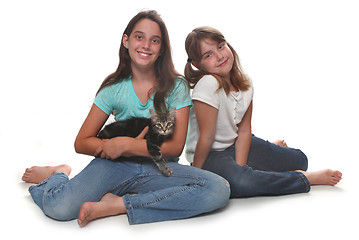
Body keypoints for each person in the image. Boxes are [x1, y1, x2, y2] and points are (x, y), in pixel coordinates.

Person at [21, 11, 230, 226]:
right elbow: (81, 142)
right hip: (113, 167)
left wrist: (129, 145)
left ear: (161, 49)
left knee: (218, 189)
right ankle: (59, 173)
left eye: (155, 40)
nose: (146, 45)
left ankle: (119, 204)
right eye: (139, 37)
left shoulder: (177, 86)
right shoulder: (113, 89)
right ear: (126, 41)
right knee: (59, 207)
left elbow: (175, 148)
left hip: (159, 168)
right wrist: (113, 146)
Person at [184, 26, 342, 198]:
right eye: (208, 55)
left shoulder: (245, 83)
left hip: (236, 143)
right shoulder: (208, 84)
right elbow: (207, 136)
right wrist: (197, 174)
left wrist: (241, 167)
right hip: (210, 154)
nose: (220, 56)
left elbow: (244, 131)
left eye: (221, 47)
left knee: (300, 160)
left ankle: (273, 152)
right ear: (197, 64)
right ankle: (304, 179)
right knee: (242, 183)